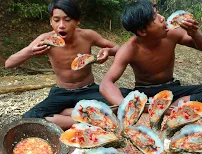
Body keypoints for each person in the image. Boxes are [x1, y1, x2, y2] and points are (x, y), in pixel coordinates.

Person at [5, 0, 119, 129]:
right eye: (56, 20)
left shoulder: (88, 35)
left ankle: (67, 113)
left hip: (88, 89)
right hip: (61, 92)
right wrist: (29, 51)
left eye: (67, 20)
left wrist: (109, 51)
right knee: (30, 118)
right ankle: (85, 120)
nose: (61, 25)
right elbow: (9, 63)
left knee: (120, 104)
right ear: (51, 21)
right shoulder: (46, 39)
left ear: (77, 21)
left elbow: (118, 48)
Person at [100, 0, 202, 124]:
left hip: (171, 90)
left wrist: (194, 33)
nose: (162, 18)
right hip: (146, 94)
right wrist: (128, 106)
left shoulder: (172, 33)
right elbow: (106, 84)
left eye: (158, 13)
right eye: (155, 17)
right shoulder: (130, 49)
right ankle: (165, 110)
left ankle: (169, 109)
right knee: (107, 100)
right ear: (142, 31)